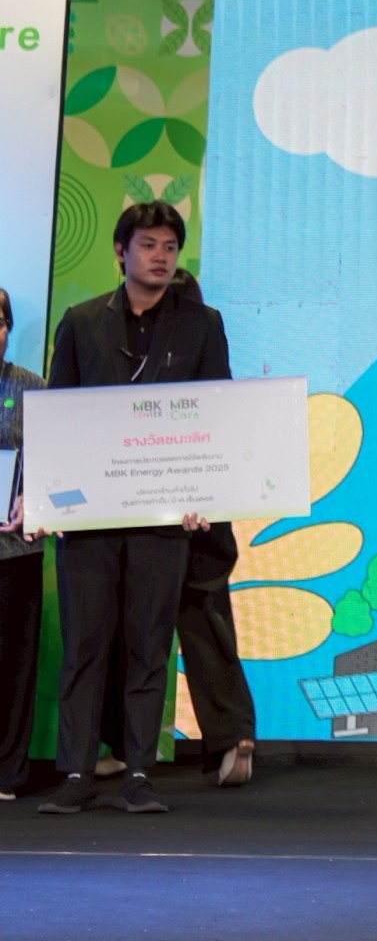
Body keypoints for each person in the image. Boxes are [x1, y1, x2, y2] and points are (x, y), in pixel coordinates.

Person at [35, 202, 231, 816]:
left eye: (170, 247)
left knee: (150, 647)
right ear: (121, 252)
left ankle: (139, 773)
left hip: (163, 517)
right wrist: (45, 498)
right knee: (84, 647)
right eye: (148, 245)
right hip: (90, 517)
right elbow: (57, 416)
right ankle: (76, 773)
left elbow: (216, 414)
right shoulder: (81, 321)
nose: (160, 257)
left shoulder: (203, 325)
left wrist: (204, 494)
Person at [91, 268, 258, 791]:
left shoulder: (138, 362)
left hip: (155, 511)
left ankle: (123, 744)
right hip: (195, 508)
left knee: (135, 627)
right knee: (205, 622)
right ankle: (232, 736)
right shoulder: (201, 350)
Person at [1, 286, 49, 800]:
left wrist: (31, 497)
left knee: (13, 664)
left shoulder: (33, 389)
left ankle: (7, 771)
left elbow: (56, 461)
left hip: (16, 553)